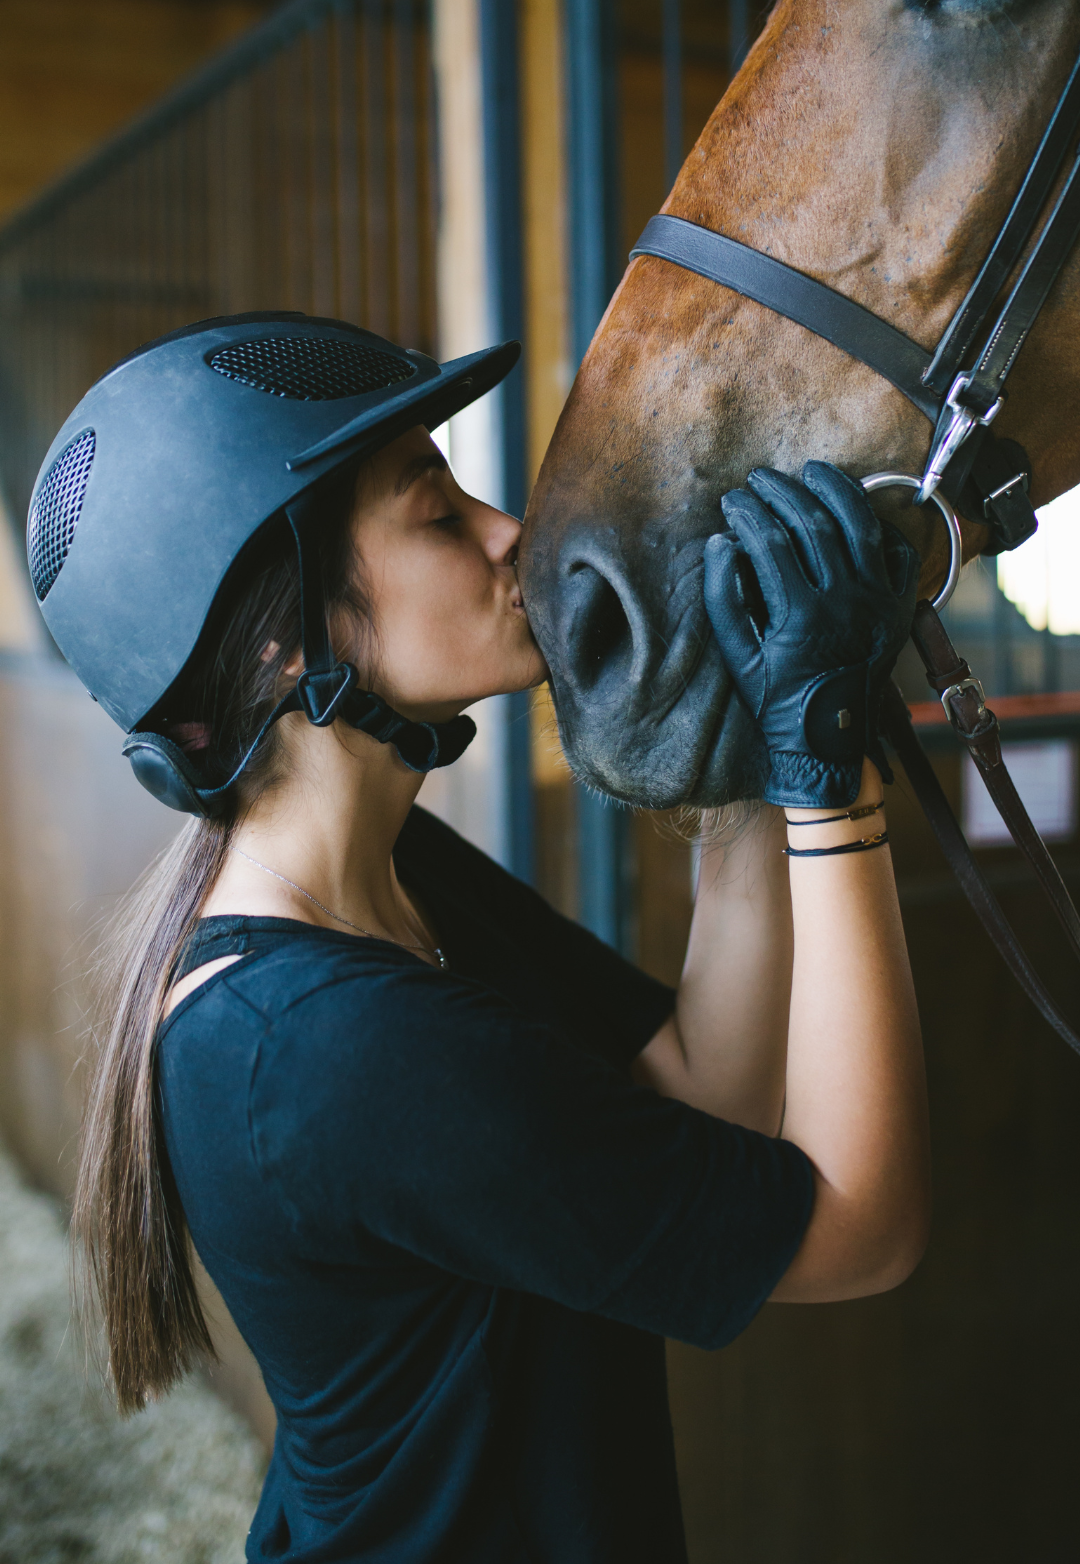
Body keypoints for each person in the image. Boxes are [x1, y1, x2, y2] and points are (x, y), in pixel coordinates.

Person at [32, 311, 929, 1564]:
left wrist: (747, 768)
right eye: (436, 513)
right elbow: (859, 1231)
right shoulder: (328, 1050)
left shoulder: (399, 882)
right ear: (290, 636)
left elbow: (696, 1092)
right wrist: (829, 765)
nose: (507, 532)